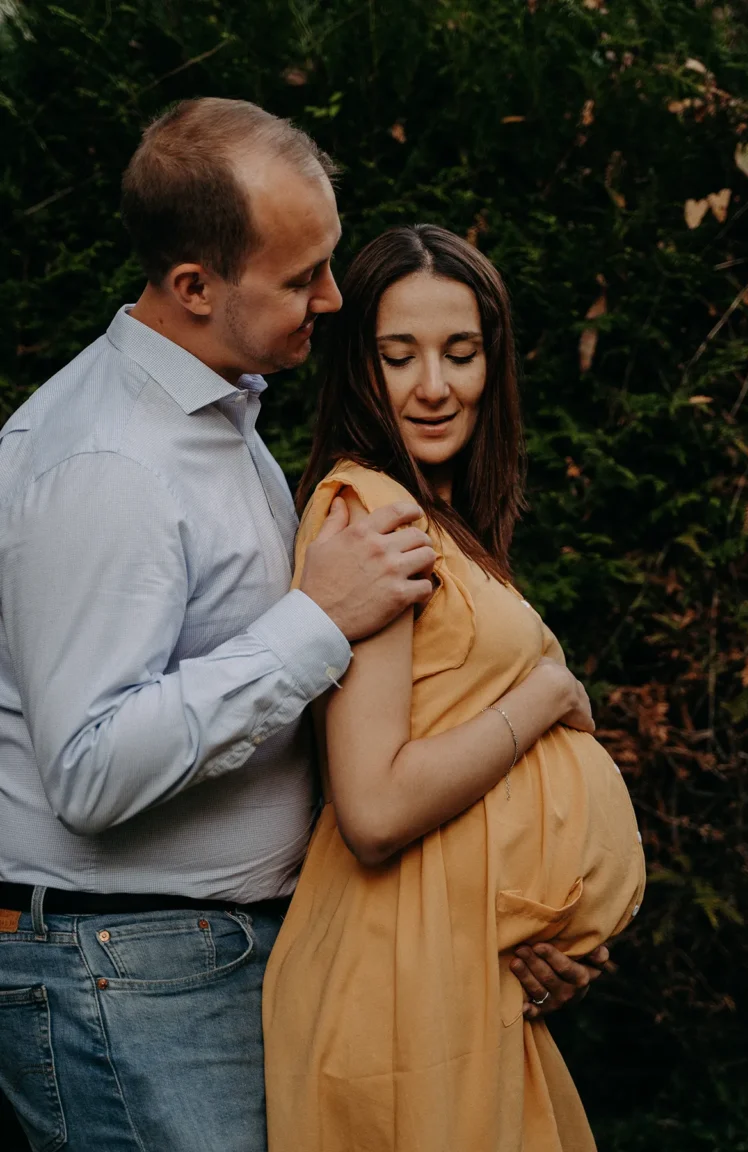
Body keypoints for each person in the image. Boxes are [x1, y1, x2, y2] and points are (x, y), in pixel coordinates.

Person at [0, 101, 604, 1150]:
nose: (331, 299)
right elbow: (90, 772)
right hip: (126, 970)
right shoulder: (107, 465)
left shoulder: (222, 419)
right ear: (194, 287)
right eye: (300, 277)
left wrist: (498, 916)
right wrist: (314, 620)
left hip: (214, 951)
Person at [263, 225, 646, 1152]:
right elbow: (376, 804)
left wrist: (539, 924)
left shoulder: (436, 513)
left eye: (461, 353)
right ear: (360, 367)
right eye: (400, 357)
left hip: (454, 969)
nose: (434, 386)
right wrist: (546, 698)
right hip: (397, 978)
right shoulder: (375, 514)